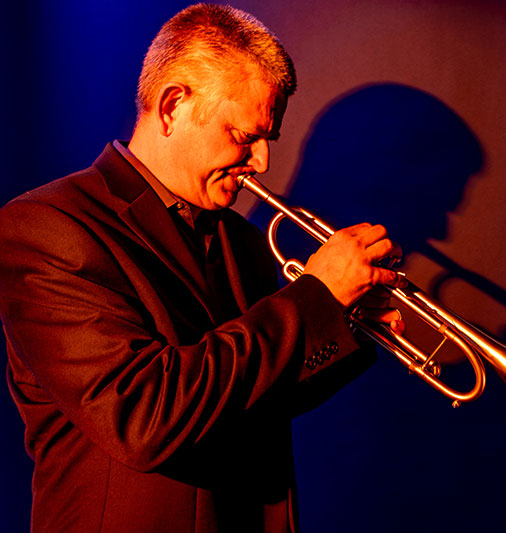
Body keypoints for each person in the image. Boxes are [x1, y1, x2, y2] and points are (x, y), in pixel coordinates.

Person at [0, 4, 405, 532]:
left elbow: (254, 393)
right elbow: (143, 415)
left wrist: (345, 318)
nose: (261, 162)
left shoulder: (239, 238)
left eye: (268, 140)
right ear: (172, 107)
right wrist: (315, 298)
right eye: (244, 136)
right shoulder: (46, 226)